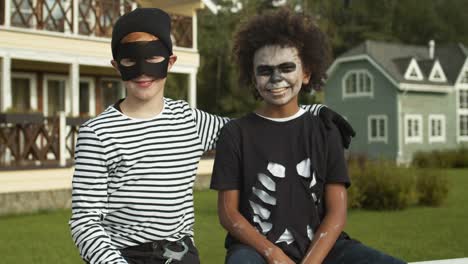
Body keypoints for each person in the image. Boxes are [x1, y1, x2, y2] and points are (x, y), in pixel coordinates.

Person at [69, 8, 354, 264]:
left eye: (153, 58)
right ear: (117, 66)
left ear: (170, 62)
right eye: (130, 60)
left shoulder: (190, 121)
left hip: (179, 255)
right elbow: (85, 222)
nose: (143, 70)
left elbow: (256, 130)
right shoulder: (97, 134)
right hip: (122, 254)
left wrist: (311, 111)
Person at [210, 8, 406, 264]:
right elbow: (228, 213)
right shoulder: (235, 134)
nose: (276, 78)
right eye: (265, 70)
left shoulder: (326, 129)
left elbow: (337, 212)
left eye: (286, 67)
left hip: (324, 248)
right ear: (252, 77)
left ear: (306, 74)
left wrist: (311, 262)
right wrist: (274, 254)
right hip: (254, 250)